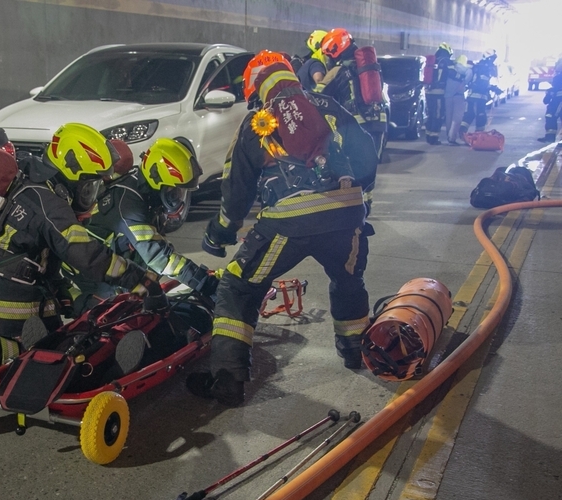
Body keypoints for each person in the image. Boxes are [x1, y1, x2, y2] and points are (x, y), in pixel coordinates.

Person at [190, 58, 377, 407]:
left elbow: (237, 187)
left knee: (237, 287)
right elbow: (365, 148)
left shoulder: (258, 122)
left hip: (290, 219)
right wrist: (360, 196)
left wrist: (221, 233)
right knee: (348, 279)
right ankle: (356, 354)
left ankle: (227, 381)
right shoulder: (327, 105)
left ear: (256, 89)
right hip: (347, 213)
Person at [0, 123, 167, 386]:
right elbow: (86, 255)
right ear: (71, 171)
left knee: (66, 319)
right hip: (11, 305)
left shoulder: (29, 176)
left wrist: (72, 299)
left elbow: (42, 259)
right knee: (57, 350)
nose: (90, 195)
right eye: (89, 185)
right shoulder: (50, 204)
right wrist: (136, 278)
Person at [69, 137, 218, 313]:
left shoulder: (143, 192)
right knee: (121, 316)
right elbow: (160, 258)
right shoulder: (129, 205)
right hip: (90, 276)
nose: (178, 198)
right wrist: (204, 282)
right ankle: (83, 305)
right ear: (157, 179)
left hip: (111, 265)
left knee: (151, 298)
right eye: (174, 191)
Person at [316, 27, 385, 212]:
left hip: (355, 124)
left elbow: (318, 94)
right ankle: (367, 201)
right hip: (378, 122)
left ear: (334, 50)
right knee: (370, 162)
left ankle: (355, 204)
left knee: (353, 163)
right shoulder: (371, 67)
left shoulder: (339, 70)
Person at [459, 49, 499, 138]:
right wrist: (493, 88)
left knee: (469, 114)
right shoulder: (485, 68)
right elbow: (483, 84)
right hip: (479, 97)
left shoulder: (477, 66)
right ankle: (479, 136)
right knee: (480, 116)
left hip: (471, 95)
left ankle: (462, 132)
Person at [425, 43, 454, 145]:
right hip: (439, 92)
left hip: (428, 91)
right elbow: (453, 74)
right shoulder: (446, 60)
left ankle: (428, 136)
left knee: (431, 114)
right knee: (438, 115)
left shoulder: (433, 60)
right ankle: (434, 138)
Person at [445, 54, 472, 145]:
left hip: (447, 96)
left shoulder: (450, 68)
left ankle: (448, 136)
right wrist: (464, 82)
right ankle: (452, 138)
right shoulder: (465, 70)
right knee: (457, 118)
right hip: (458, 96)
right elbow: (468, 76)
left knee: (448, 116)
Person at [538, 58, 562, 143]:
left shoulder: (559, 77)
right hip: (556, 100)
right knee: (550, 115)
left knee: (552, 115)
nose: (556, 66)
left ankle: (551, 138)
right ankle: (549, 137)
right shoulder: (558, 76)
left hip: (559, 101)